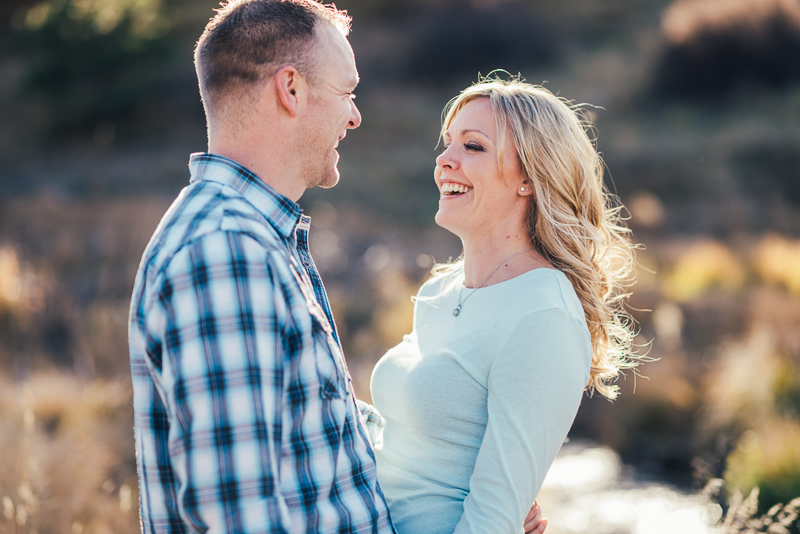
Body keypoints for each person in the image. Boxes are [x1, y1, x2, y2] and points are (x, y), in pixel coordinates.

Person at [127, 1, 548, 532]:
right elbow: (239, 515)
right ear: (292, 89)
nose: (355, 115)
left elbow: (320, 437)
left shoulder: (256, 238)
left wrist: (476, 494)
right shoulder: (226, 251)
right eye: (347, 92)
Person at [363, 77, 638, 534]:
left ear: (529, 177)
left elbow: (492, 520)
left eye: (472, 146)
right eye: (447, 142)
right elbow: (405, 445)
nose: (444, 160)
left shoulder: (543, 315)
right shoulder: (441, 290)